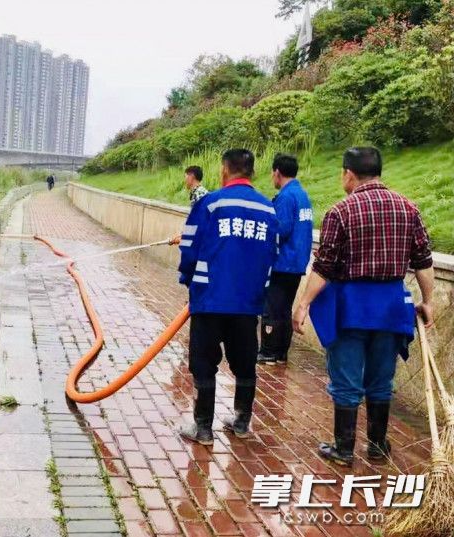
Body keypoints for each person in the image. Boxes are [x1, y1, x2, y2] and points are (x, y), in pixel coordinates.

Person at [293, 147, 435, 466]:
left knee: (346, 379)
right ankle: (378, 446)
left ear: (348, 173)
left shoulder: (341, 211)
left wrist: (303, 304)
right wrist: (428, 301)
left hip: (351, 308)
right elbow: (423, 262)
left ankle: (344, 449)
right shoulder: (408, 209)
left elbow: (324, 267)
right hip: (390, 309)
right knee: (381, 380)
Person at [177, 149, 279, 444]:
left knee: (204, 362)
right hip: (248, 303)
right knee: (245, 361)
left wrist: (187, 278)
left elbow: (190, 248)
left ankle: (203, 428)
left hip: (210, 299)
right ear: (252, 172)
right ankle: (242, 422)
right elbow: (272, 253)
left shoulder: (210, 204)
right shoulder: (267, 210)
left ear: (224, 170)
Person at [257, 154, 314, 366]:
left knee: (271, 308)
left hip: (283, 262)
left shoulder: (286, 197)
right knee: (283, 308)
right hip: (297, 262)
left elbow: (281, 228)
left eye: (273, 173)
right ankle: (280, 353)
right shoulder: (302, 194)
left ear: (277, 172)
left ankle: (269, 352)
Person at [170, 166, 209, 245]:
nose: (185, 180)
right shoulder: (197, 192)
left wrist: (182, 239)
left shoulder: (199, 194)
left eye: (185, 176)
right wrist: (181, 236)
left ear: (191, 176)